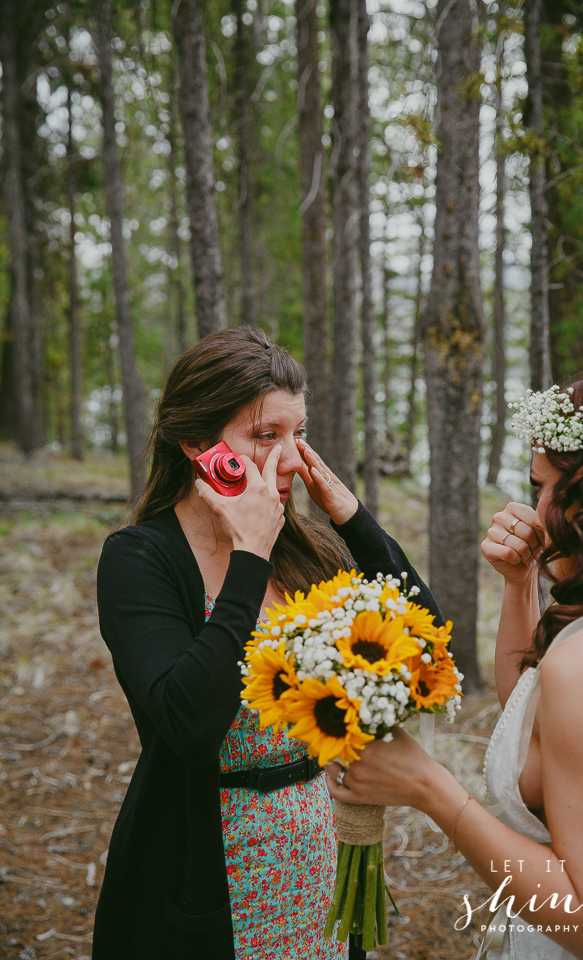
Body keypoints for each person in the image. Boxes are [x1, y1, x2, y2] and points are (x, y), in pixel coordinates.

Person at [93, 326, 444, 960]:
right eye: (264, 436)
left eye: (296, 434)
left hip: (316, 852)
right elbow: (188, 718)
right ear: (198, 444)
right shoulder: (139, 559)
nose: (288, 459)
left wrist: (352, 519)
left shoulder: (304, 545)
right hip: (208, 866)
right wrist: (247, 554)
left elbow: (423, 641)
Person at [326, 361, 583, 960]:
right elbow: (536, 719)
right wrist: (521, 586)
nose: (535, 508)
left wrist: (432, 788)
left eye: (544, 488)